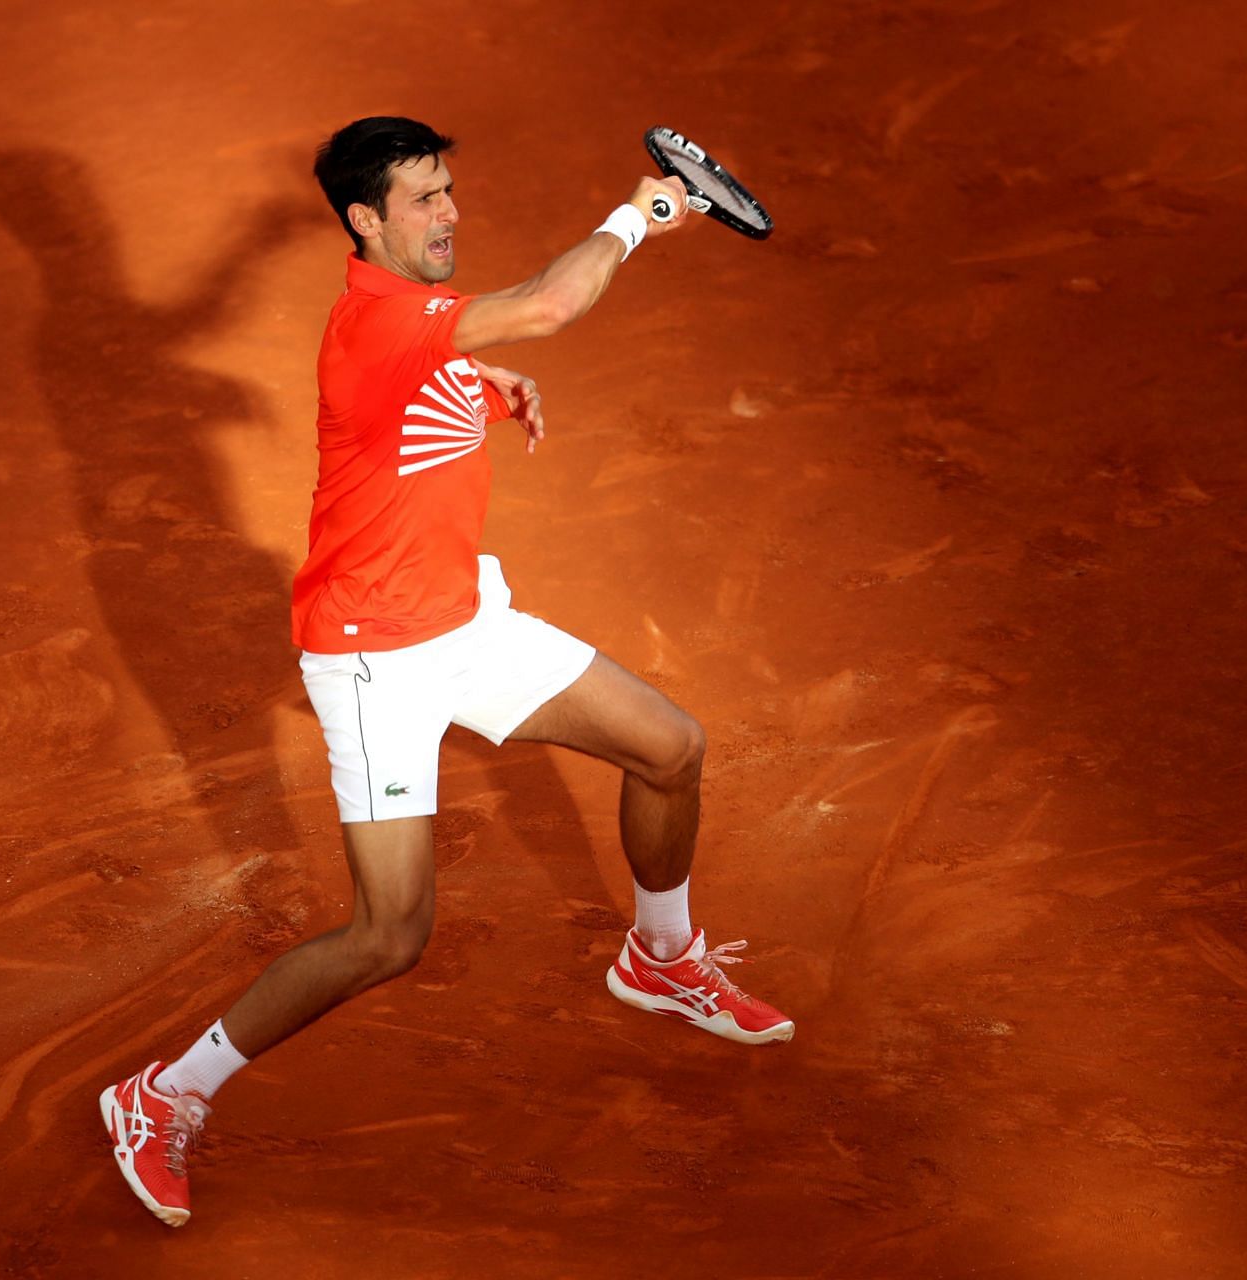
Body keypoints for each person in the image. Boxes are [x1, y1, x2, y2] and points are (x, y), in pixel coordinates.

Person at [98, 116, 792, 1228]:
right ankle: (161, 1093)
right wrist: (647, 212)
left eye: (449, 190)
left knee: (671, 746)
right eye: (423, 200)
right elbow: (555, 303)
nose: (449, 213)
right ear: (365, 220)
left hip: (465, 616)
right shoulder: (378, 324)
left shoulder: (414, 330)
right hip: (377, 659)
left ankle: (661, 957)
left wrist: (477, 380)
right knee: (390, 932)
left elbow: (436, 361)